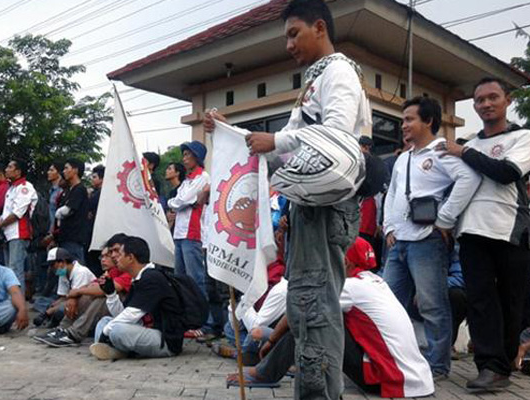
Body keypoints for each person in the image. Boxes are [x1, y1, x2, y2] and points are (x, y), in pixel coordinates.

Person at [206, 1, 370, 398]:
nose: (288, 45)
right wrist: (235, 134)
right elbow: (288, 152)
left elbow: (337, 135)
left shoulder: (338, 72)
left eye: (293, 34)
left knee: (314, 308)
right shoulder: (317, 80)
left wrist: (275, 140)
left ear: (319, 28)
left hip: (326, 209)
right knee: (304, 305)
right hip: (308, 209)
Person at [227, 237, 435, 398]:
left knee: (313, 320)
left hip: (391, 378)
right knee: (319, 312)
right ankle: (295, 360)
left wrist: (272, 341)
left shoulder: (351, 287)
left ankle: (266, 373)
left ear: (343, 261)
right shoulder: (374, 282)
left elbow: (299, 310)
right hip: (417, 378)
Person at [440, 77, 530, 390]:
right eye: (479, 100)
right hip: (471, 233)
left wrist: (463, 153)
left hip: (511, 232)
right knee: (479, 301)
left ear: (506, 100)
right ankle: (489, 366)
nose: (486, 104)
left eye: (493, 97)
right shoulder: (469, 143)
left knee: (511, 301)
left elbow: (507, 173)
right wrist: (446, 222)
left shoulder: (524, 137)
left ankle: (503, 364)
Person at [382, 96, 481, 379]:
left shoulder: (441, 150)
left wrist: (444, 219)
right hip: (398, 242)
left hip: (427, 241)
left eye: (409, 119)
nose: (404, 125)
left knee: (432, 304)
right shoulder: (402, 158)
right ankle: (393, 358)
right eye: (403, 120)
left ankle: (437, 365)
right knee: (390, 303)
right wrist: (389, 227)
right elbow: (392, 193)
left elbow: (469, 180)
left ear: (428, 121)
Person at [90, 236, 185, 360]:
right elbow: (121, 314)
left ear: (130, 258)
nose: (115, 258)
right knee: (105, 321)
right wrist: (111, 294)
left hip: (166, 341)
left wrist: (105, 333)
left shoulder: (152, 278)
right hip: (145, 330)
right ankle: (115, 350)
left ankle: (116, 349)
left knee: (116, 329)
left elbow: (132, 315)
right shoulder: (138, 279)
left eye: (120, 254)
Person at [33, 235, 132, 347]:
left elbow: (106, 289)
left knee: (100, 297)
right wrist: (74, 295)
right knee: (75, 298)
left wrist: (76, 293)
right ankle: (63, 329)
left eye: (114, 252)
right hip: (95, 309)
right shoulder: (114, 271)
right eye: (109, 253)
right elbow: (91, 286)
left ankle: (74, 334)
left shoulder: (128, 271)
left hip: (122, 311)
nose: (112, 256)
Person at [167, 141, 210, 298]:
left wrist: (177, 203)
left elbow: (181, 200)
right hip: (179, 233)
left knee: (195, 279)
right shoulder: (186, 181)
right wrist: (179, 203)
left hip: (192, 234)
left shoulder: (203, 177)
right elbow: (180, 201)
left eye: (187, 155)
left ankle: (205, 320)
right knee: (180, 279)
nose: (184, 159)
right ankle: (188, 315)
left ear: (196, 157)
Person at [0, 159, 38, 294]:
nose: (6, 169)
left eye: (10, 167)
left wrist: (1, 225)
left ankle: (18, 303)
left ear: (18, 171)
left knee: (15, 269)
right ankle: (13, 301)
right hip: (9, 233)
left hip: (19, 233)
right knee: (10, 269)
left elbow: (17, 213)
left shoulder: (25, 187)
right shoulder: (12, 188)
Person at [32, 247, 96, 328]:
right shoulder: (63, 273)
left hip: (85, 304)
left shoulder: (80, 272)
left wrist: (47, 313)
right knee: (42, 302)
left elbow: (75, 298)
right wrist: (52, 306)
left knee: (61, 309)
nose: (51, 268)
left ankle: (61, 326)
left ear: (62, 262)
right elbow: (63, 297)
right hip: (71, 300)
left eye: (52, 265)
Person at [55, 159, 89, 264]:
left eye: (66, 168)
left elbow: (67, 210)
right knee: (64, 272)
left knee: (76, 272)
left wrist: (58, 213)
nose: (63, 171)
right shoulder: (68, 190)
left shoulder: (80, 189)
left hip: (74, 239)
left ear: (75, 170)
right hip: (64, 238)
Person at [86, 164, 105, 276]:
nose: (92, 180)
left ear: (102, 178)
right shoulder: (95, 193)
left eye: (94, 177)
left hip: (97, 231)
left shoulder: (99, 194)